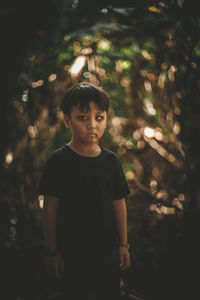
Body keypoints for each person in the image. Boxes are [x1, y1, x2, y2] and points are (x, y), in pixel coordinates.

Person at [37, 82, 131, 300]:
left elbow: (119, 204)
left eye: (99, 117)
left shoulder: (111, 161)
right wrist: (51, 252)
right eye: (83, 117)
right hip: (71, 254)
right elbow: (50, 208)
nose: (92, 125)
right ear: (67, 120)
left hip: (107, 253)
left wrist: (123, 245)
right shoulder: (58, 161)